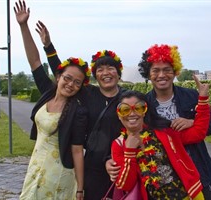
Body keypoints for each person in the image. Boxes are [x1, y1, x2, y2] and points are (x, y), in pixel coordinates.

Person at [34, 21, 127, 199]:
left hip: (120, 165)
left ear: (118, 72)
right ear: (95, 75)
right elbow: (64, 74)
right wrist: (48, 46)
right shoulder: (88, 94)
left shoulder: (128, 98)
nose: (106, 72)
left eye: (111, 68)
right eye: (100, 69)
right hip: (92, 166)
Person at [14, 1, 91, 199]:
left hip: (59, 173)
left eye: (77, 82)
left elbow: (77, 151)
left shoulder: (77, 111)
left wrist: (80, 189)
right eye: (67, 78)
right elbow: (34, 61)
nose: (71, 84)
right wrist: (23, 26)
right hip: (36, 165)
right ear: (58, 78)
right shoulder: (47, 93)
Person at [138, 44, 211, 199]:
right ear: (148, 74)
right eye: (156, 70)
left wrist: (192, 122)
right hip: (164, 183)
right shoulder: (144, 104)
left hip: (198, 175)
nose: (161, 75)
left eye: (167, 70)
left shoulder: (191, 96)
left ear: (175, 72)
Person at [112, 77, 210, 200]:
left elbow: (198, 133)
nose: (132, 114)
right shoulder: (119, 144)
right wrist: (129, 153)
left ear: (145, 111)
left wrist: (202, 99)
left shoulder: (163, 131)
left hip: (188, 196)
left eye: (138, 108)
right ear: (119, 115)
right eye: (125, 110)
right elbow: (125, 185)